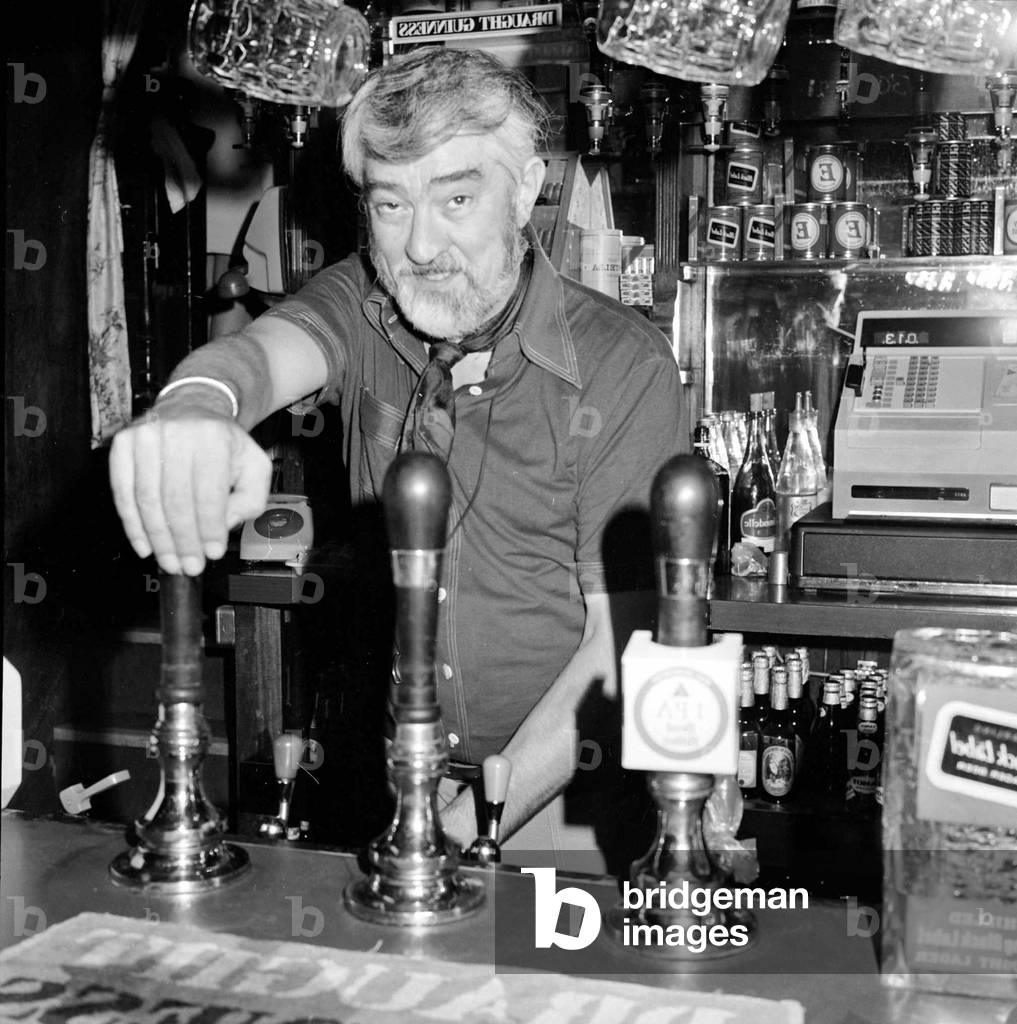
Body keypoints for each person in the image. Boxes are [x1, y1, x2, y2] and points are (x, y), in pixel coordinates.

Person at [110, 46, 684, 866]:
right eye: (390, 205)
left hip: (562, 799)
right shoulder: (364, 300)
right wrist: (197, 404)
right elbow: (261, 356)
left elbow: (621, 648)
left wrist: (452, 836)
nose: (419, 246)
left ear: (523, 191)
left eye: (456, 197)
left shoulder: (625, 366)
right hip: (383, 778)